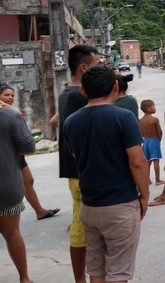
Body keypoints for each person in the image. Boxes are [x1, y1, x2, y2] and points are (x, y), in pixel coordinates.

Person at [62, 66, 150, 283]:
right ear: (115, 87)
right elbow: (137, 162)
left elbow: (76, 156)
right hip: (119, 204)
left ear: (83, 91)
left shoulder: (71, 122)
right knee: (118, 271)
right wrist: (145, 196)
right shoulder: (124, 117)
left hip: (89, 206)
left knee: (97, 268)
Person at [0, 71, 36, 283]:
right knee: (12, 233)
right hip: (7, 186)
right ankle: (24, 278)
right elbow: (29, 147)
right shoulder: (8, 116)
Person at [58, 45, 100, 283]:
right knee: (82, 230)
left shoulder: (68, 92)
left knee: (82, 227)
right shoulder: (77, 95)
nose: (101, 69)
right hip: (81, 170)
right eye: (97, 65)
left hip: (76, 170)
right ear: (84, 68)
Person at [0, 86, 60, 222]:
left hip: (17, 153)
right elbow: (18, 114)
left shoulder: (6, 109)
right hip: (5, 155)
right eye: (7, 95)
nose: (11, 98)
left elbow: (18, 115)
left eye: (12, 95)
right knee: (4, 187)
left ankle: (39, 211)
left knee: (28, 181)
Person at [139, 100, 164, 186]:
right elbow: (159, 131)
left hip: (145, 142)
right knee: (156, 161)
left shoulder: (140, 121)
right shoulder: (154, 120)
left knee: (147, 162)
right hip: (154, 141)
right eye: (153, 106)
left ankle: (147, 179)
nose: (155, 108)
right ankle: (157, 180)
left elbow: (140, 133)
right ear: (148, 109)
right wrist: (159, 140)